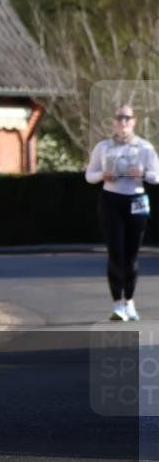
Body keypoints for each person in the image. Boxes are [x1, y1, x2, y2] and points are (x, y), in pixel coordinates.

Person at [85, 105, 158, 321]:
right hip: (111, 201)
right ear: (113, 122)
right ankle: (117, 304)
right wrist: (102, 176)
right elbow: (89, 175)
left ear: (134, 121)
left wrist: (143, 173)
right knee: (115, 252)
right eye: (119, 118)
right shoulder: (103, 147)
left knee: (132, 254)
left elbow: (157, 175)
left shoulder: (145, 147)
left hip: (136, 200)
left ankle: (130, 302)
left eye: (127, 118)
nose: (123, 122)